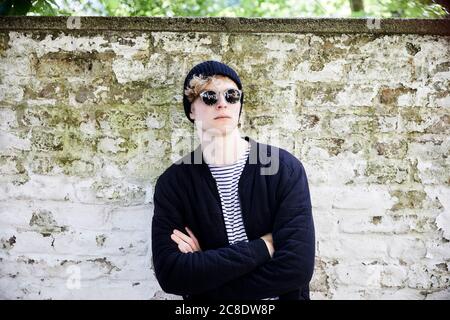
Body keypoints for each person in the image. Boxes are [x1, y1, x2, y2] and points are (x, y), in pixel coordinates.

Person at [151, 60, 315, 300]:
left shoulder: (283, 169)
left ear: (239, 106)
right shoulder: (174, 183)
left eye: (232, 95)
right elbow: (172, 274)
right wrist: (263, 247)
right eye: (209, 96)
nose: (222, 103)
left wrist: (204, 278)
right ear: (191, 110)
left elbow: (296, 268)